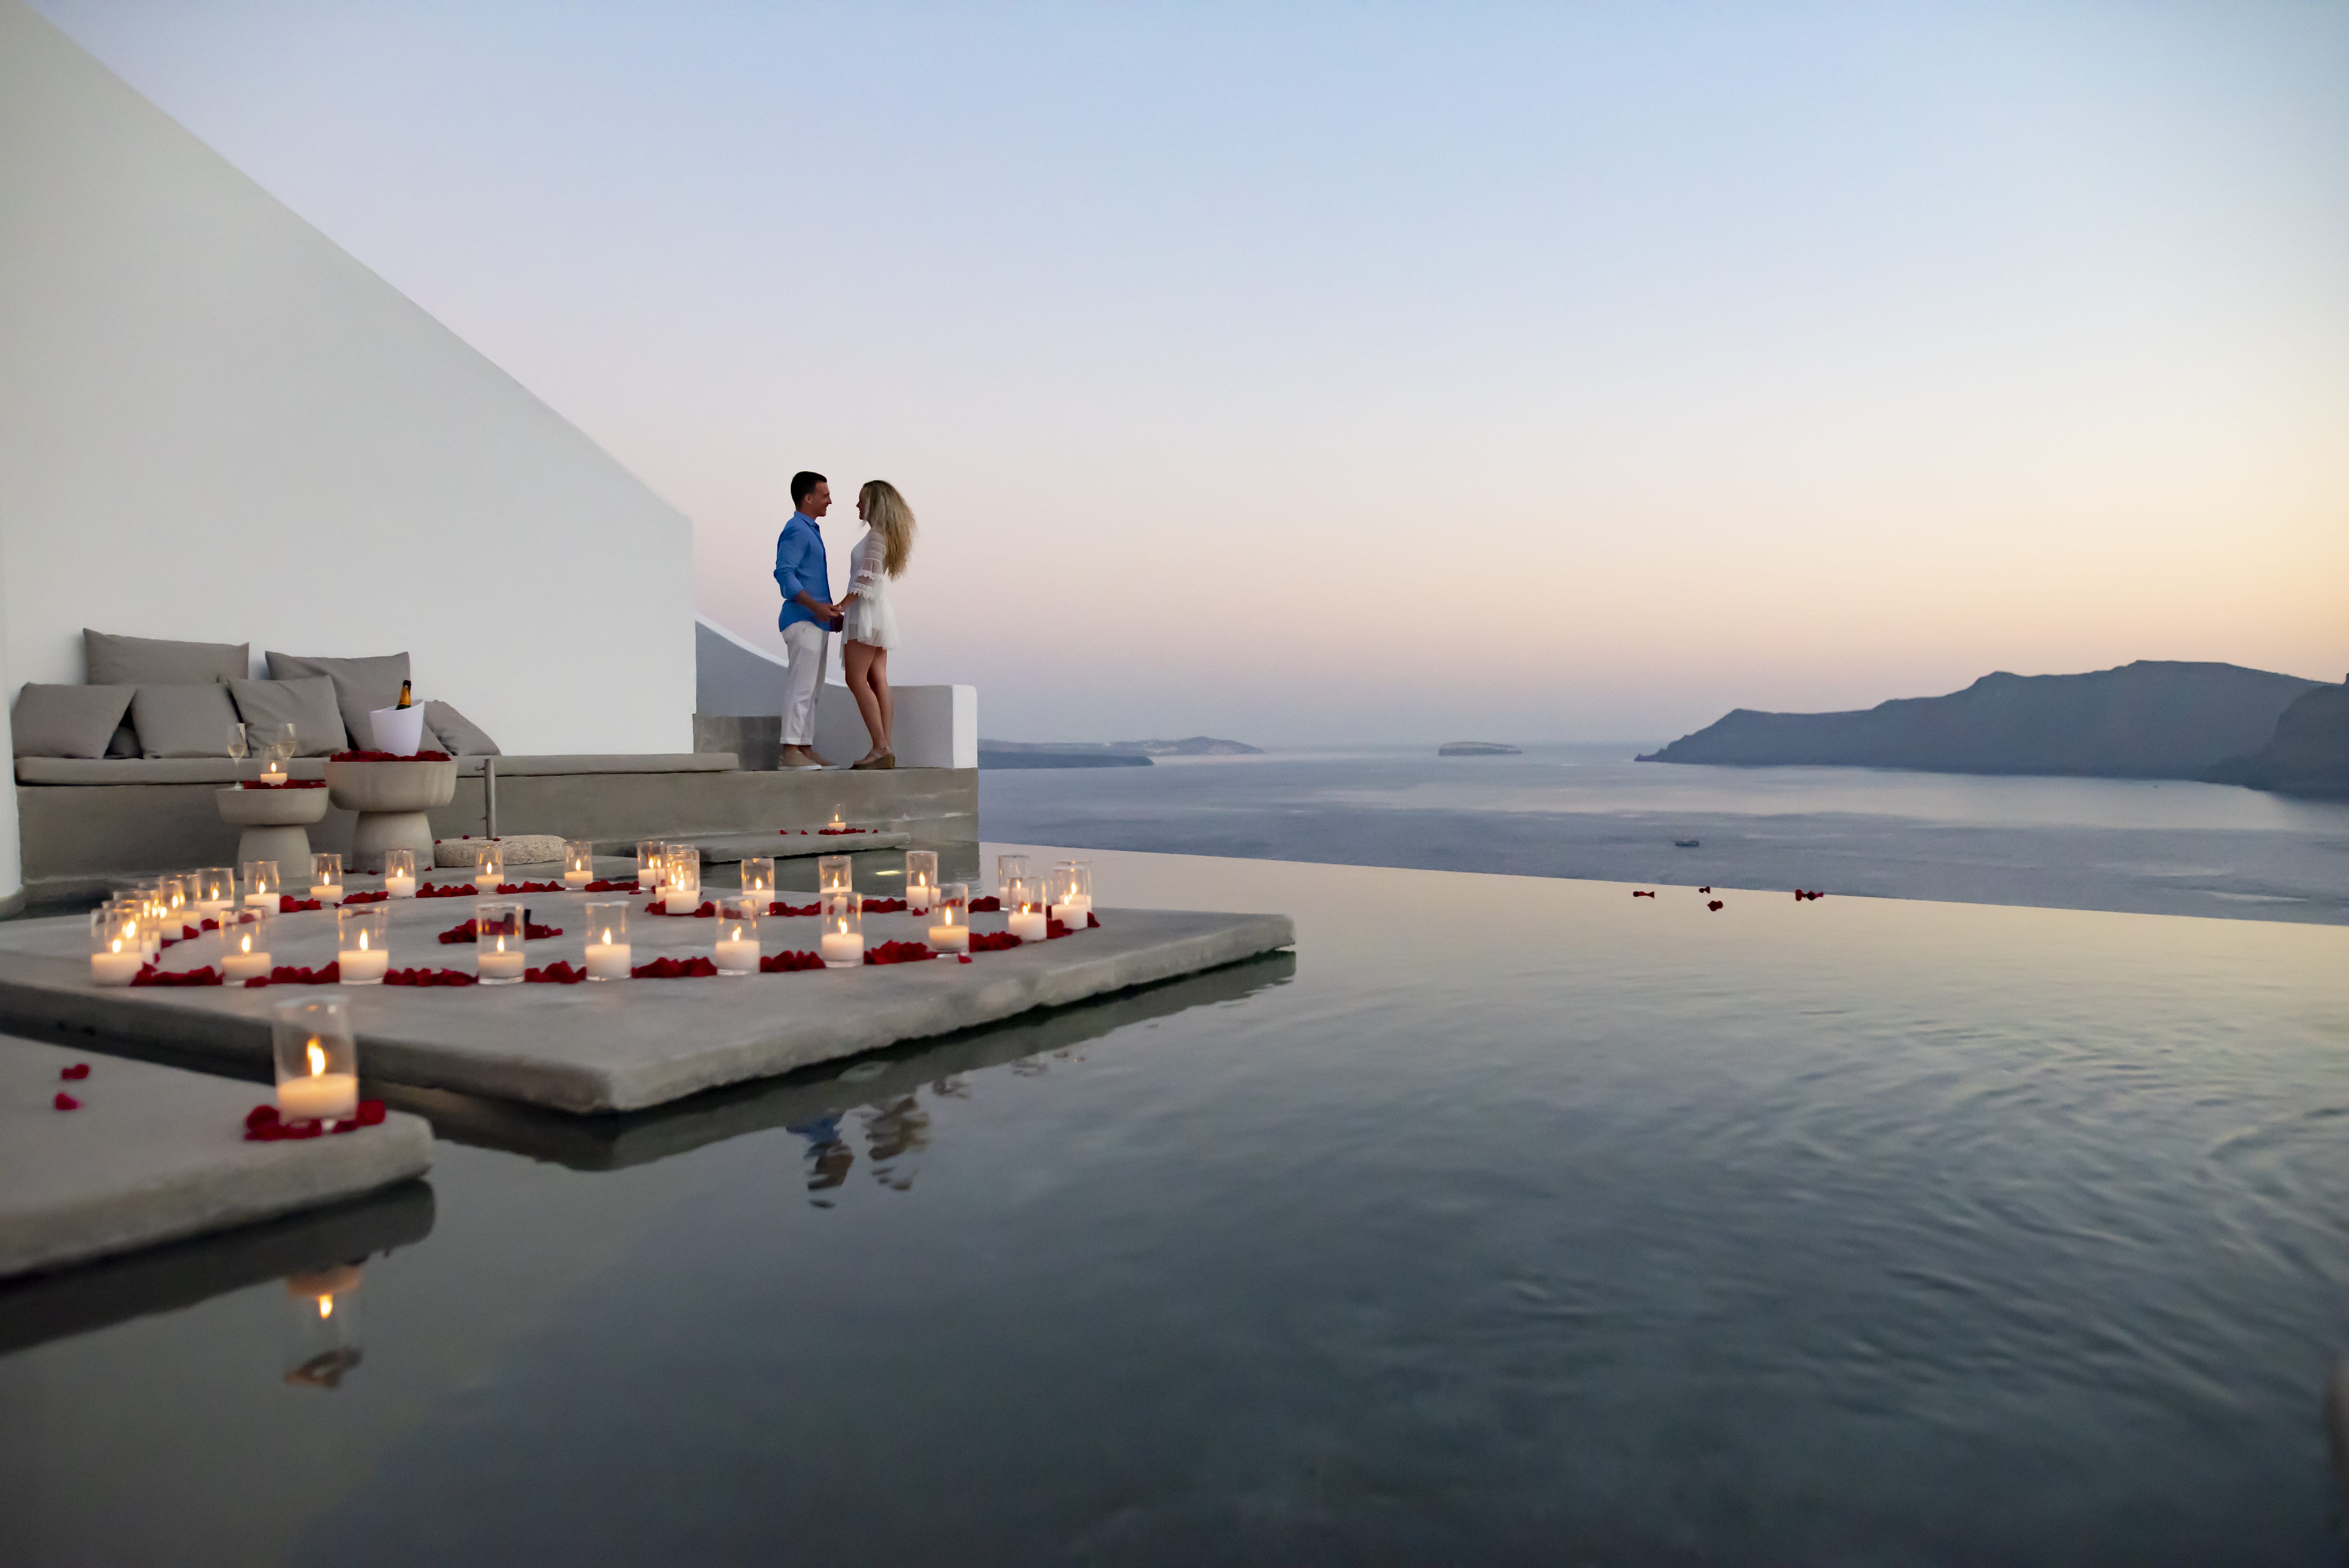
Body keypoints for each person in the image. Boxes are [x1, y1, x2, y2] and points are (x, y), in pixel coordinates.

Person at [836, 479, 917, 770]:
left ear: (875, 503)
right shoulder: (883, 535)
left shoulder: (875, 537)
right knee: (877, 679)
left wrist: (841, 606)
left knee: (856, 679)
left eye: (862, 500)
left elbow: (867, 577)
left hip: (866, 610)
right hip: (878, 610)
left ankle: (881, 746)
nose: (858, 505)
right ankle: (884, 747)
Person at [772, 471, 843, 770]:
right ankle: (789, 751)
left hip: (816, 621)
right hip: (802, 620)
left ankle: (804, 748)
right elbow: (784, 576)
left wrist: (826, 612)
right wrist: (816, 608)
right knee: (801, 687)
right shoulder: (797, 530)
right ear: (809, 498)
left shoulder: (811, 530)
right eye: (825, 495)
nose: (831, 500)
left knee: (813, 690)